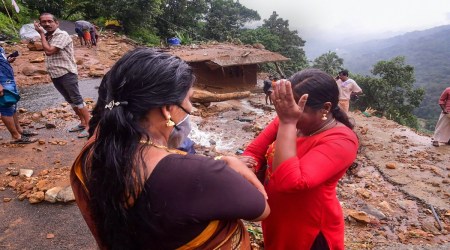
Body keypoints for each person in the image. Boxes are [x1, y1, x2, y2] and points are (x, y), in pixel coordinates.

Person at [70, 48, 270, 249]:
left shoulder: (94, 151)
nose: (191, 108)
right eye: (189, 98)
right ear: (167, 110)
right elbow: (261, 209)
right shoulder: (199, 174)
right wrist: (229, 163)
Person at [242, 69, 359, 249]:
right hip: (277, 219)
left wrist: (288, 122)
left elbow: (289, 182)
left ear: (325, 108)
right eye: (288, 108)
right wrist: (249, 168)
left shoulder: (342, 140)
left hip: (308, 229)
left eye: (297, 109)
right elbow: (253, 152)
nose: (291, 113)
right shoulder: (289, 119)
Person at [34, 13, 90, 138]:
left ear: (56, 23)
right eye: (44, 22)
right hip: (55, 74)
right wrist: (43, 35)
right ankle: (82, 122)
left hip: (66, 72)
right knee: (70, 100)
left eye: (50, 21)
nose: (47, 24)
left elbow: (49, 51)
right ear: (40, 24)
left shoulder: (61, 35)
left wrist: (41, 34)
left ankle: (89, 125)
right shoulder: (49, 36)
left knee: (77, 99)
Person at [0, 47, 38, 144]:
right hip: (2, 81)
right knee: (6, 106)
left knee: (12, 105)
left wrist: (7, 60)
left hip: (8, 79)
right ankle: (16, 137)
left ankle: (19, 130)